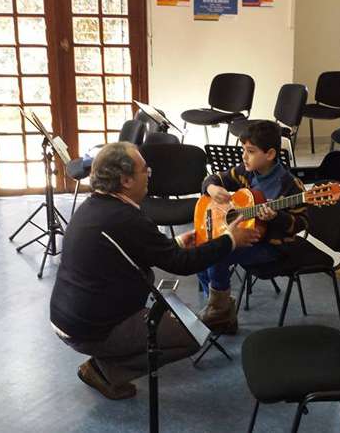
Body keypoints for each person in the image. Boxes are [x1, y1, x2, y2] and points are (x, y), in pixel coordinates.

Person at [50, 142, 260, 400]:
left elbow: (148, 249)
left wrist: (178, 243)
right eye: (144, 171)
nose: (149, 175)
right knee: (192, 335)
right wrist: (230, 239)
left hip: (69, 317)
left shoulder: (96, 206)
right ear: (126, 180)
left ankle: (108, 356)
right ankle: (105, 371)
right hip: (91, 327)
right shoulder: (126, 218)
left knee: (172, 322)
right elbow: (181, 265)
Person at [197, 120, 309, 334]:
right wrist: (211, 188)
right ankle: (219, 307)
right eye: (243, 150)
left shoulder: (290, 185)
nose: (244, 157)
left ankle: (219, 311)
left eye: (250, 151)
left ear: (270, 154)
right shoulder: (246, 172)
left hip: (273, 246)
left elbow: (301, 223)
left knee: (215, 254)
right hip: (246, 235)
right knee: (200, 249)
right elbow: (213, 178)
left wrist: (276, 218)